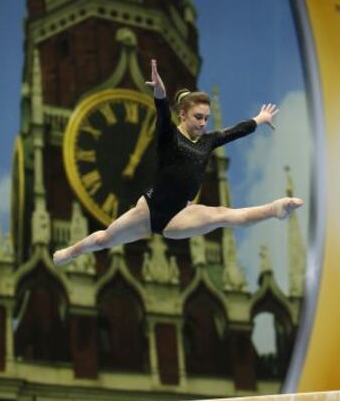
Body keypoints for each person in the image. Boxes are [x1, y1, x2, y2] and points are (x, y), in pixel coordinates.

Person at [53, 59, 303, 265]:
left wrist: (259, 119)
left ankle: (275, 209)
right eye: (198, 117)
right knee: (104, 239)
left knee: (223, 215)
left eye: (206, 118)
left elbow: (235, 131)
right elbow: (162, 112)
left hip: (181, 214)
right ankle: (72, 252)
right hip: (149, 211)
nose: (204, 124)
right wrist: (159, 92)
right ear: (183, 114)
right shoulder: (168, 136)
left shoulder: (208, 141)